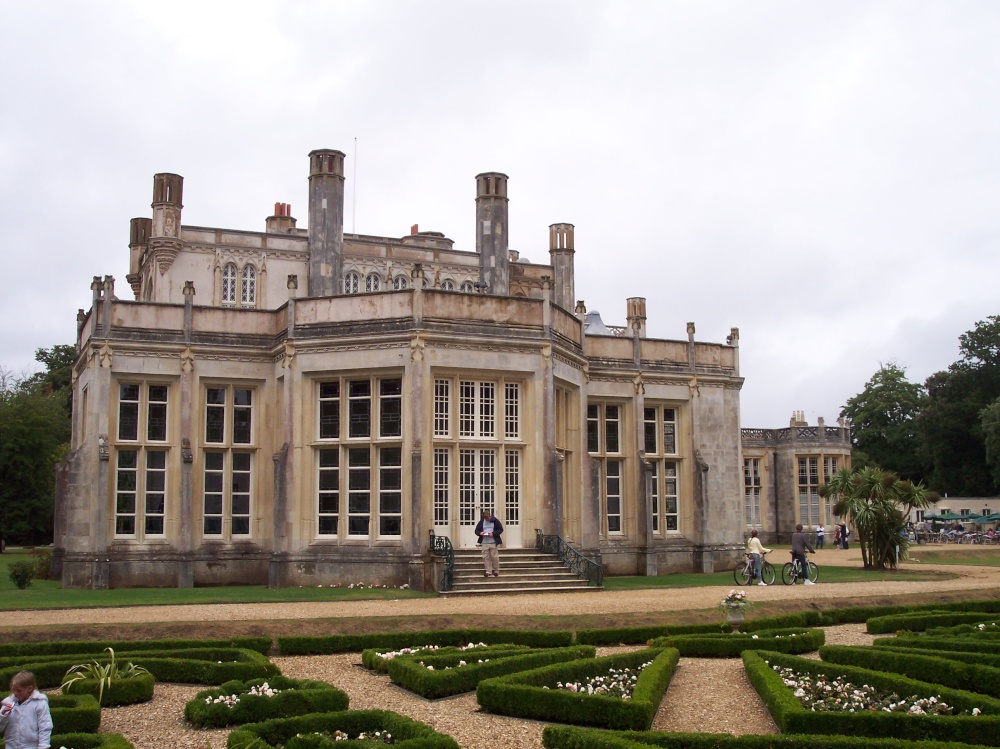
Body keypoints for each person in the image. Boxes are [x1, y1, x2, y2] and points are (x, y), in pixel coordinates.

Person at [0, 671, 52, 749]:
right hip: (11, 746)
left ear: (30, 689)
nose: (15, 693)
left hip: (31, 746)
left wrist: (43, 746)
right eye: (13, 690)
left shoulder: (39, 703)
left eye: (19, 691)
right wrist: (3, 714)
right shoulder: (8, 703)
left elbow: (45, 726)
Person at [474, 509, 503, 578]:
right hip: (484, 542)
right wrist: (480, 533)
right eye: (485, 518)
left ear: (490, 516)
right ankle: (488, 570)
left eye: (487, 517)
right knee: (485, 557)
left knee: (494, 556)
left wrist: (493, 534)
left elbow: (500, 529)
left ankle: (496, 570)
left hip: (493, 541)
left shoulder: (495, 521)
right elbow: (476, 530)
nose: (486, 519)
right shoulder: (481, 522)